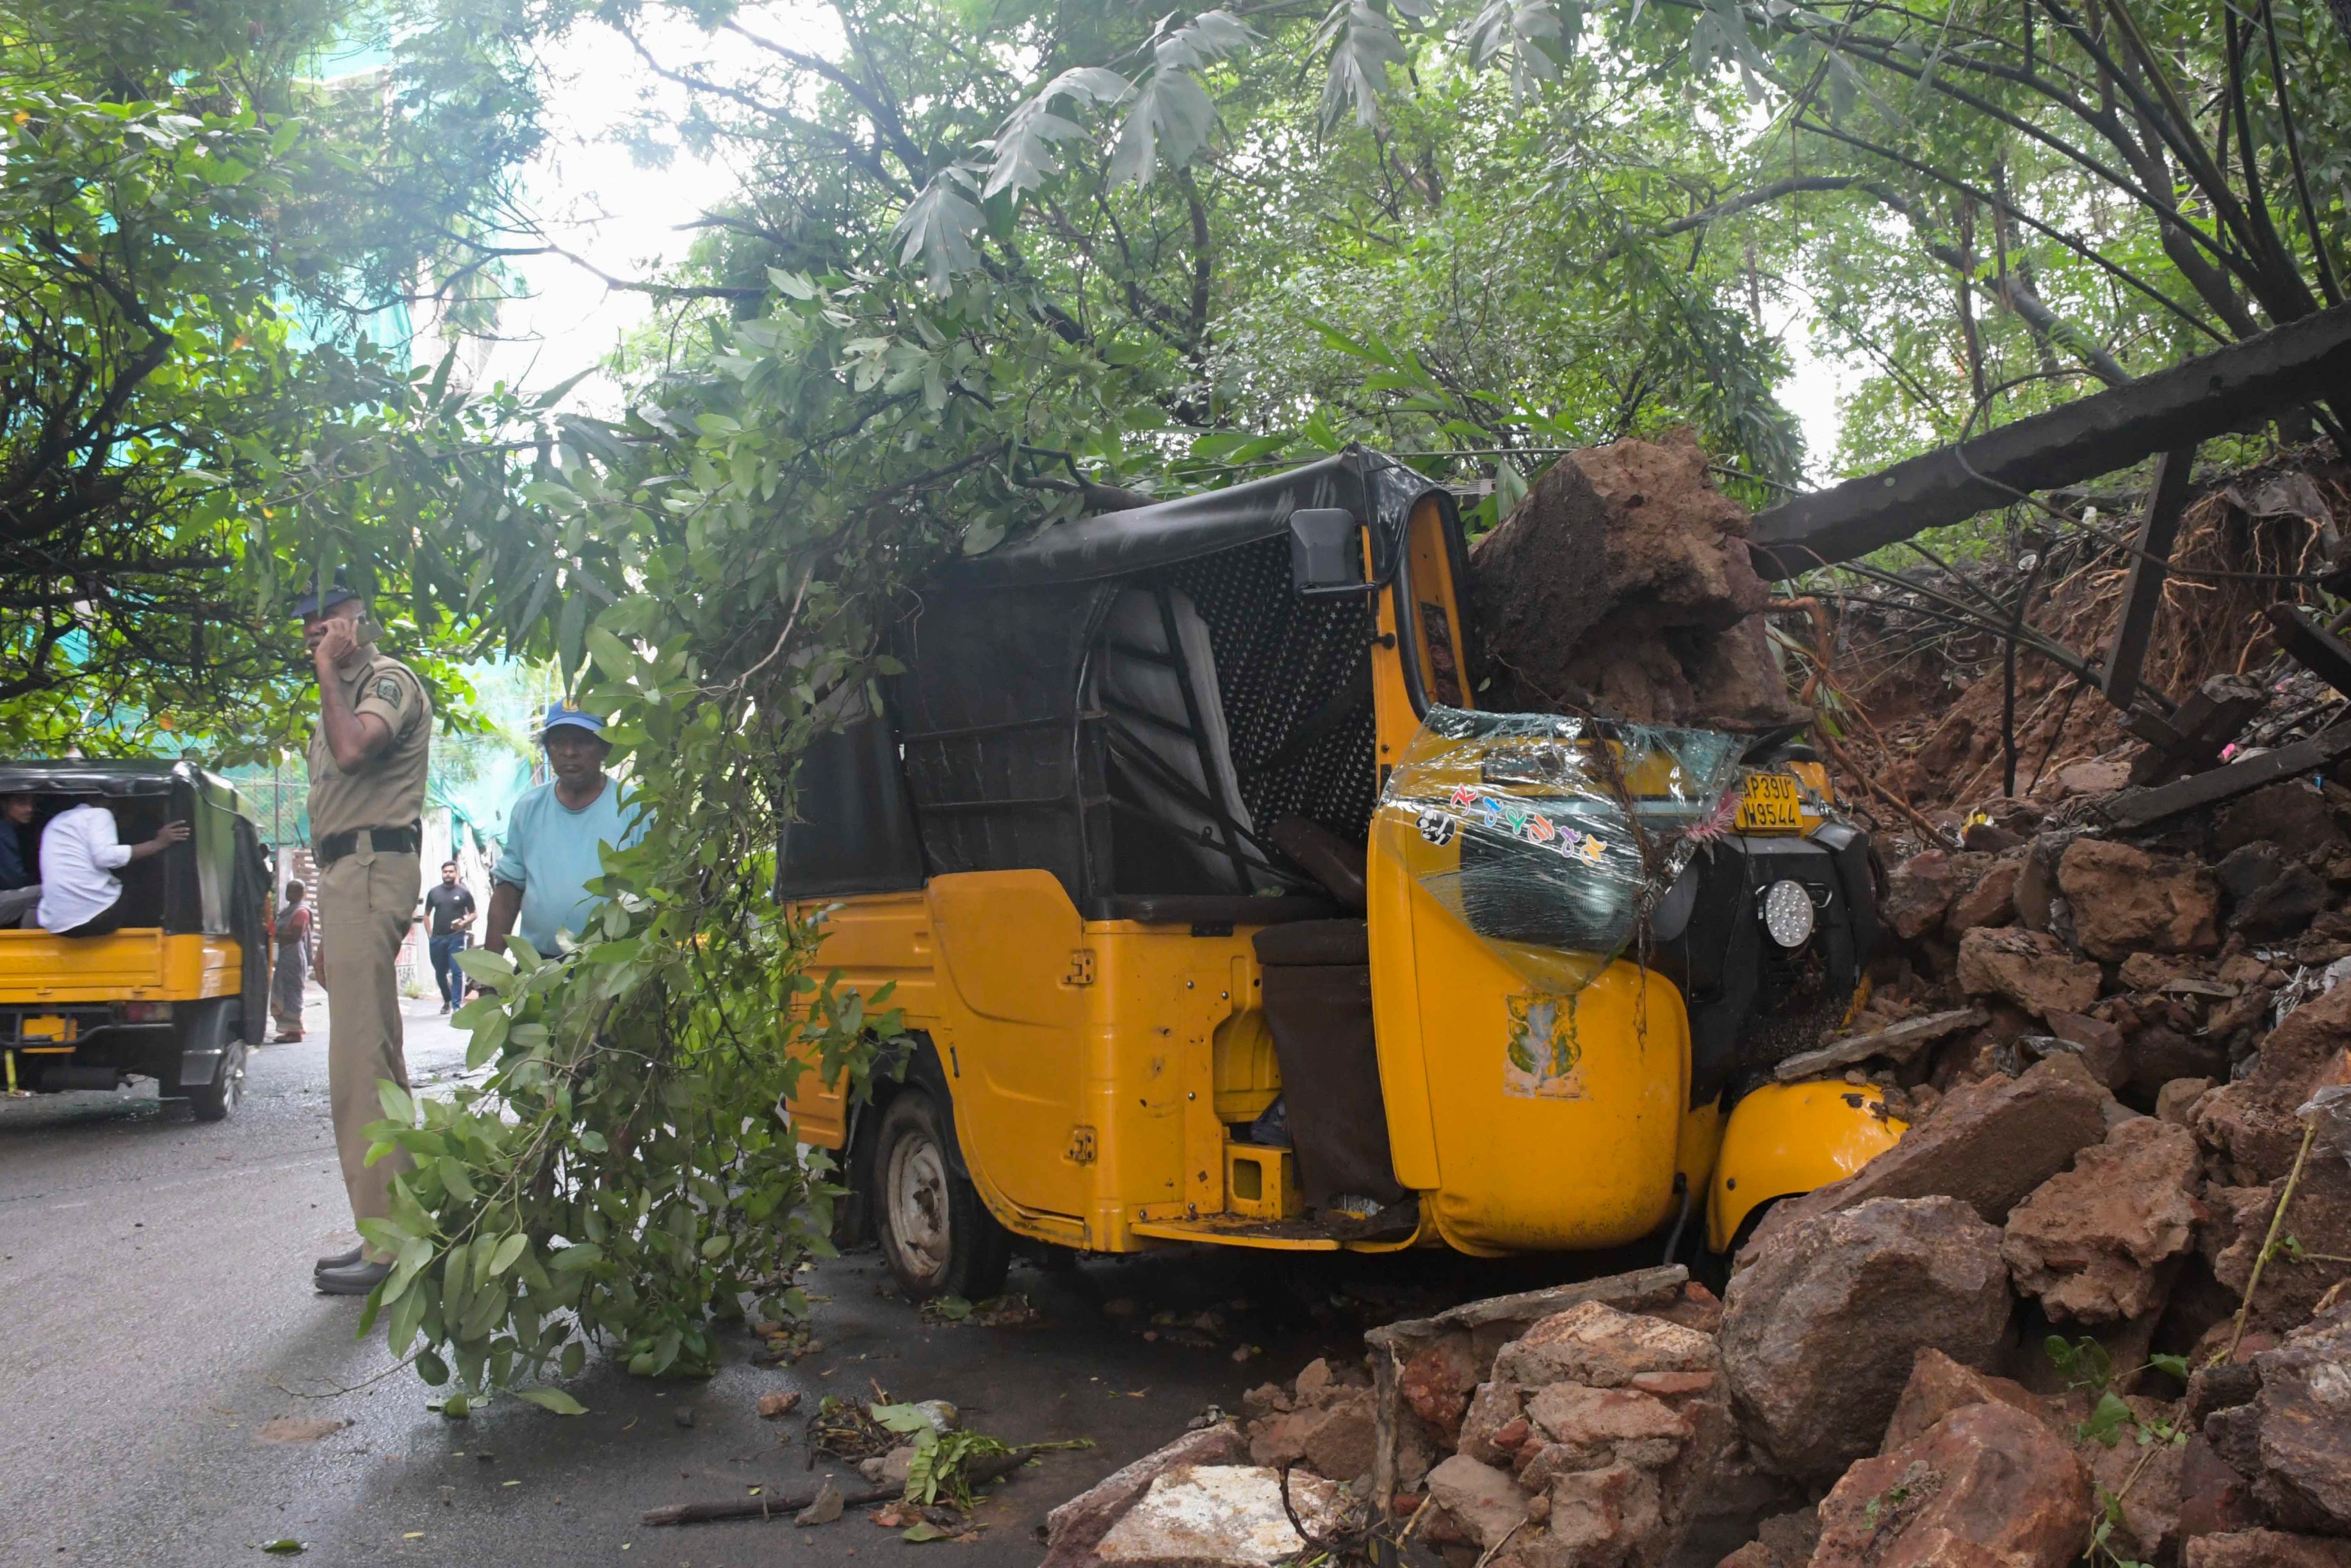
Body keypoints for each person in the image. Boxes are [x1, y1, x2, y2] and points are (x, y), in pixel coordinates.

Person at [297, 573, 432, 1297]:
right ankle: (403, 1226)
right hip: (349, 875)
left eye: (326, 620)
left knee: (358, 1065)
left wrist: (328, 671)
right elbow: (331, 824)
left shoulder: (385, 682)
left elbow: (354, 756)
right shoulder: (339, 695)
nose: (314, 631)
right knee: (375, 1055)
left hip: (376, 868)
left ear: (356, 620)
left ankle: (386, 1247)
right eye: (307, 625)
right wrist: (321, 921)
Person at [483, 705, 646, 958]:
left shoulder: (634, 807)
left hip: (615, 969)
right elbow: (508, 892)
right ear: (548, 749)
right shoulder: (528, 808)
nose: (570, 752)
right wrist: (488, 975)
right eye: (559, 743)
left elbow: (654, 891)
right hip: (541, 969)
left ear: (606, 748)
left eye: (582, 742)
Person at [37, 801, 188, 936]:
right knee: (143, 880)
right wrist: (158, 843)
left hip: (57, 925)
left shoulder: (57, 822)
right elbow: (106, 857)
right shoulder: (99, 814)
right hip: (96, 916)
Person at [421, 861, 475, 1012]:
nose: (448, 874)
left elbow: (474, 914)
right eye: (445, 872)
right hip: (438, 939)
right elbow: (426, 915)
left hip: (457, 937)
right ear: (442, 873)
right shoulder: (434, 893)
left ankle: (457, 1006)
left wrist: (463, 923)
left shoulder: (463, 893)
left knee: (457, 971)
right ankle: (447, 1000)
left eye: (451, 871)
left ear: (456, 873)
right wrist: (430, 934)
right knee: (440, 973)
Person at [271, 880, 313, 1042]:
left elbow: (295, 936)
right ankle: (289, 1030)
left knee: (293, 993)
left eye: (293, 891)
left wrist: (274, 934)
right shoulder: (289, 910)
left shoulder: (301, 912)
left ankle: (296, 1032)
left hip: (294, 956)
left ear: (302, 893)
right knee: (285, 991)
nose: (290, 895)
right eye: (288, 891)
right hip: (285, 955)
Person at [0, 793, 38, 925]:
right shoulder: (3, 833)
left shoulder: (19, 831)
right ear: (4, 805)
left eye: (32, 803)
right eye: (22, 803)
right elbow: (14, 879)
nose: (30, 809)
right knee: (48, 891)